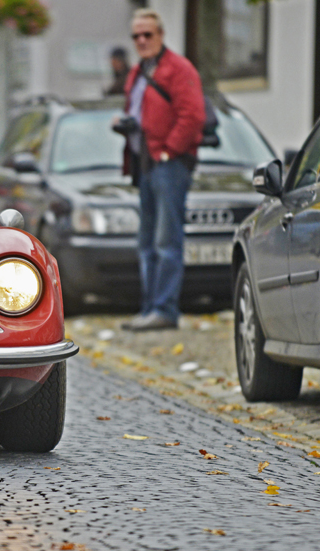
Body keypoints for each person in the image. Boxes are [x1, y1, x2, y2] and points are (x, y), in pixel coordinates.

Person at [119, 8, 205, 331]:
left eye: (148, 34)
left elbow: (192, 116)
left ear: (161, 35)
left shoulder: (178, 69)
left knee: (166, 241)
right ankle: (149, 308)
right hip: (144, 166)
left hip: (169, 166)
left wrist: (169, 150)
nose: (142, 40)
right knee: (146, 242)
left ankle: (165, 310)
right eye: (136, 36)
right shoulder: (137, 71)